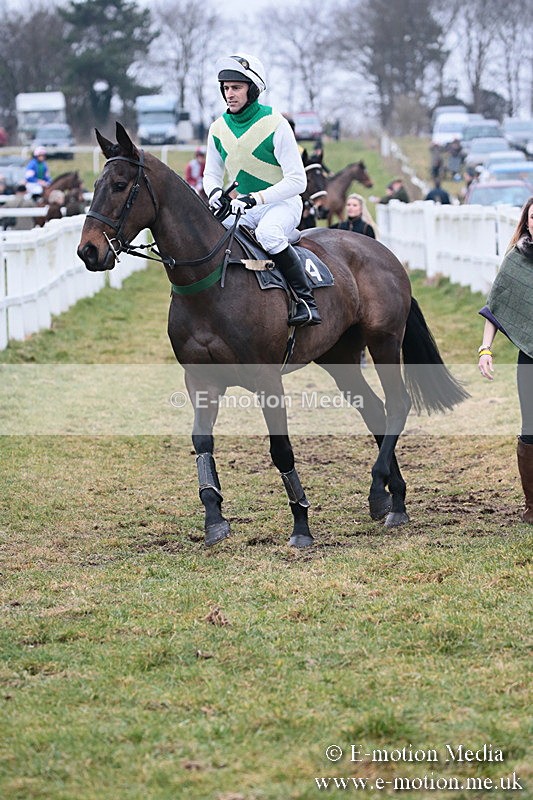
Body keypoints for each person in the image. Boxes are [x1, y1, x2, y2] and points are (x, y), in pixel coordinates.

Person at [204, 52, 320, 326]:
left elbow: (298, 181)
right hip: (243, 207)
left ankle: (306, 302)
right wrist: (215, 193)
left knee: (268, 235)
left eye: (236, 88)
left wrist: (256, 198)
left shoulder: (276, 123)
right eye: (226, 88)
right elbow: (211, 174)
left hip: (283, 204)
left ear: (253, 89)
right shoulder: (217, 128)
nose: (229, 94)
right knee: (213, 237)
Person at [478, 196, 533, 524]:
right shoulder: (517, 259)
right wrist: (485, 349)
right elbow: (497, 306)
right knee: (530, 428)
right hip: (530, 356)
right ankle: (532, 505)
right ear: (526, 222)